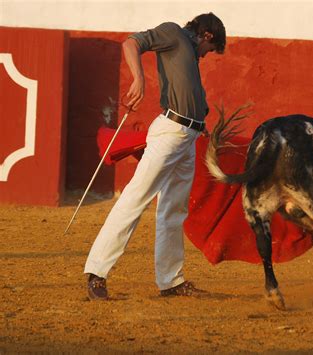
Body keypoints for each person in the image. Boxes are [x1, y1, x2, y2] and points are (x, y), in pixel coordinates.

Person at [84, 13, 226, 300]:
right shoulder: (173, 33)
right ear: (207, 36)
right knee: (135, 199)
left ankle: (170, 281)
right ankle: (96, 272)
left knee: (173, 209)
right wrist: (139, 79)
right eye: (209, 51)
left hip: (188, 137)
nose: (205, 55)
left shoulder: (187, 53)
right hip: (171, 132)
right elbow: (131, 43)